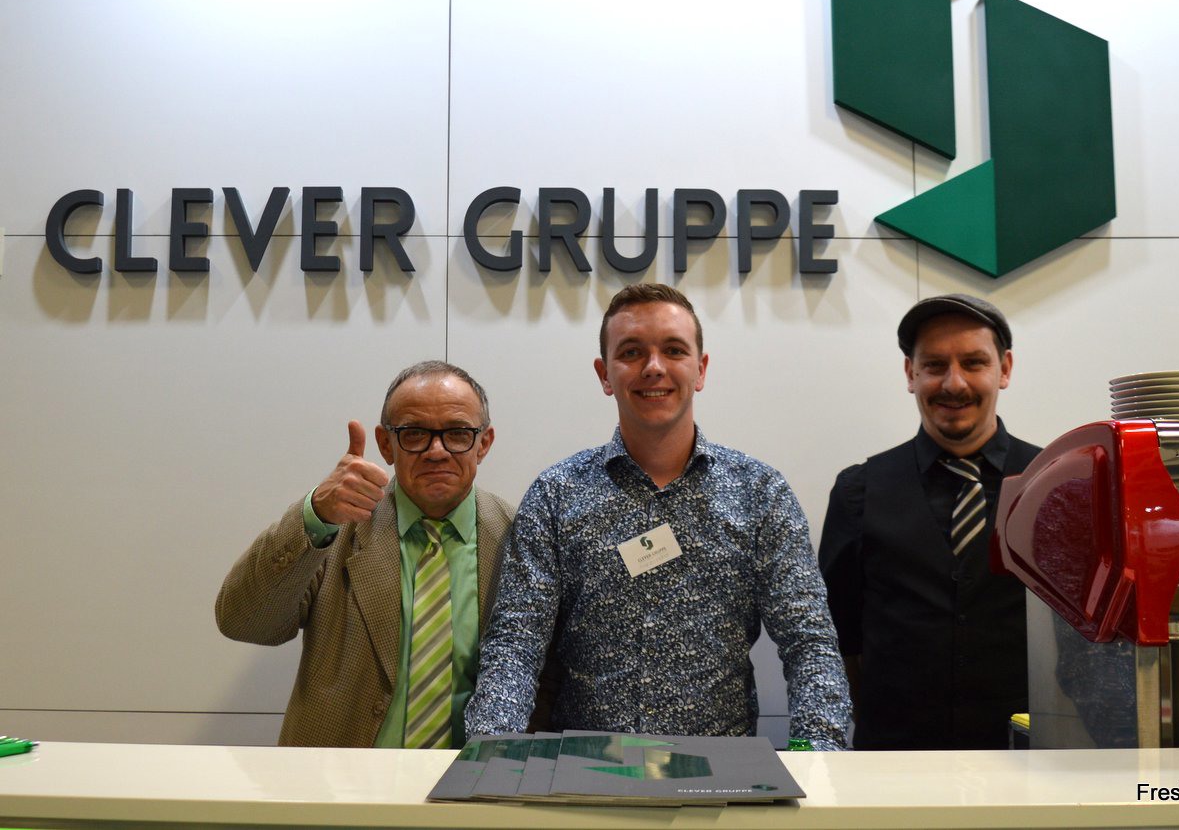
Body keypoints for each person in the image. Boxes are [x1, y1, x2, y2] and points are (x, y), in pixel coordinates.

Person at [465, 284, 850, 749]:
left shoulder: (760, 494)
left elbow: (810, 644)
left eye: (673, 350)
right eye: (631, 352)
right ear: (605, 374)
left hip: (722, 774)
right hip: (584, 773)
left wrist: (816, 756)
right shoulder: (556, 495)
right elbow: (516, 645)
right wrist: (488, 754)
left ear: (700, 369)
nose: (653, 367)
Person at [216, 360, 513, 748]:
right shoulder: (336, 526)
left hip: (469, 779)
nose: (436, 451)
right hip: (340, 778)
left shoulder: (518, 537)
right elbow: (243, 621)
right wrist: (315, 514)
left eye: (458, 434)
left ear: (484, 443)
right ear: (386, 444)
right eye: (414, 434)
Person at [818, 294, 1041, 750]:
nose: (954, 383)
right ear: (910, 374)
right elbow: (838, 638)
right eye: (935, 365)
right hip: (893, 763)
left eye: (973, 363)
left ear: (1004, 369)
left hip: (1027, 760)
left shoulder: (1054, 484)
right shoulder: (858, 491)